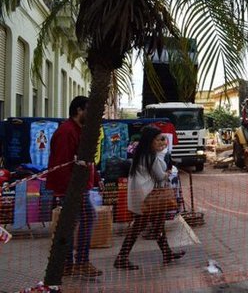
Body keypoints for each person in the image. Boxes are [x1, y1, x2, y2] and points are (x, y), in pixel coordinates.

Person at [46, 96, 103, 278]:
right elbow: (62, 163)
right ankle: (79, 262)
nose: (92, 114)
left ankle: (69, 263)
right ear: (79, 110)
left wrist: (95, 178)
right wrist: (71, 190)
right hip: (72, 188)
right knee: (85, 218)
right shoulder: (67, 131)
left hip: (78, 186)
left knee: (71, 223)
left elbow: (84, 159)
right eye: (89, 109)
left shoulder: (79, 130)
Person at [114, 126, 185, 270]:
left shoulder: (142, 154)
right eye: (159, 139)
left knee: (158, 225)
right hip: (148, 197)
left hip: (143, 195)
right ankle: (121, 258)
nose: (162, 142)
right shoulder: (151, 156)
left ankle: (167, 253)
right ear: (150, 141)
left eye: (163, 139)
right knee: (138, 228)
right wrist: (168, 173)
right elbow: (159, 176)